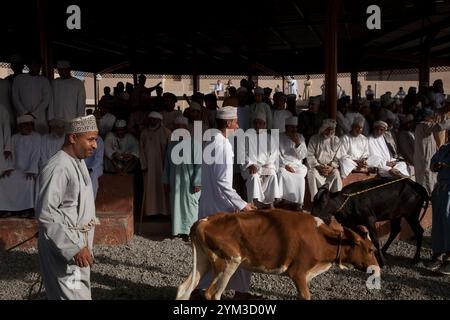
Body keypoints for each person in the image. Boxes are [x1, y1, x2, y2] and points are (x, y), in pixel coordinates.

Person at [193, 106, 257, 300]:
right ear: (228, 123)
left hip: (208, 204)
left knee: (210, 254)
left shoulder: (210, 141)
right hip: (220, 208)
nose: (238, 126)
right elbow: (223, 182)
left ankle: (201, 290)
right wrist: (242, 204)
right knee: (240, 250)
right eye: (236, 122)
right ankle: (240, 293)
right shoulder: (223, 145)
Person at [36, 115, 99, 299]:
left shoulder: (77, 162)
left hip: (77, 241)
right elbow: (46, 213)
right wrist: (74, 248)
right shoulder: (58, 166)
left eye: (95, 139)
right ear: (73, 138)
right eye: (90, 139)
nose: (95, 145)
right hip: (67, 245)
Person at [162, 116, 201, 239]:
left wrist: (197, 182)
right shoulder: (172, 144)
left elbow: (199, 164)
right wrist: (166, 181)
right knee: (176, 206)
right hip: (175, 181)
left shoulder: (194, 143)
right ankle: (178, 230)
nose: (178, 129)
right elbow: (167, 164)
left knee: (190, 206)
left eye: (181, 127)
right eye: (176, 127)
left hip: (190, 182)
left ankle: (191, 231)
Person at [0, 115, 40, 217]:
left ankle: (27, 209)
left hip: (30, 170)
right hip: (16, 169)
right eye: (25, 125)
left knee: (29, 180)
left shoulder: (36, 137)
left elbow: (36, 155)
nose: (28, 128)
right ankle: (7, 209)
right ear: (19, 127)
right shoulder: (14, 138)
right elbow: (9, 155)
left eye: (31, 125)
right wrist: (8, 168)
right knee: (4, 180)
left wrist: (32, 170)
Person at [240, 112, 281, 208]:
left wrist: (268, 165)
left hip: (265, 166)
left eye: (260, 123)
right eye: (255, 123)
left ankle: (270, 203)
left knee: (272, 175)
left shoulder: (270, 138)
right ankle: (253, 203)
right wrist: (250, 164)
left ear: (265, 124)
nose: (257, 125)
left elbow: (274, 154)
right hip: (250, 167)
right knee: (253, 177)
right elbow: (242, 153)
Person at [140, 112, 171, 216]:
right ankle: (151, 213)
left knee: (163, 190)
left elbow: (170, 151)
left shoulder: (167, 133)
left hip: (163, 167)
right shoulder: (144, 133)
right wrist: (143, 165)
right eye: (151, 119)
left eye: (154, 119)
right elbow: (141, 150)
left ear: (159, 120)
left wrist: (169, 167)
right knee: (150, 189)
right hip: (149, 168)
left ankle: (164, 213)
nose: (152, 121)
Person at [414, 108, 450, 196]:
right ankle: (427, 197)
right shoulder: (424, 125)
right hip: (424, 158)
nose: (432, 118)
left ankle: (426, 196)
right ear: (426, 117)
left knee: (427, 178)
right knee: (426, 179)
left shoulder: (422, 126)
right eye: (431, 117)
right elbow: (439, 127)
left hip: (424, 157)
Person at [12, 58, 51, 134]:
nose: (36, 68)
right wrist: (24, 112)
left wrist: (34, 114)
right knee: (23, 138)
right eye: (34, 65)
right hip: (22, 115)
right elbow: (15, 97)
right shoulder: (19, 78)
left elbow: (46, 99)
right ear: (29, 66)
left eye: (38, 66)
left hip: (39, 117)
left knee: (40, 139)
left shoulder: (44, 80)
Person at [306, 119, 343, 201]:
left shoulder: (336, 140)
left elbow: (338, 157)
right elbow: (310, 155)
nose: (330, 132)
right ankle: (316, 200)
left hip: (330, 168)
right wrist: (319, 167)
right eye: (327, 129)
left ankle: (335, 200)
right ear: (323, 129)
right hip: (317, 167)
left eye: (332, 130)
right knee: (311, 173)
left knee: (336, 174)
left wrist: (331, 167)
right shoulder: (314, 139)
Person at [278, 117, 307, 210]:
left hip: (297, 165)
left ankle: (298, 202)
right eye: (291, 127)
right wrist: (285, 166)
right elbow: (276, 155)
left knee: (300, 176)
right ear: (286, 127)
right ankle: (283, 200)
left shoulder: (300, 137)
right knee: (282, 174)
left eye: (295, 127)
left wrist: (297, 143)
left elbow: (303, 156)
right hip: (283, 165)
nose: (294, 130)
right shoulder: (279, 137)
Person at [429, 144, 450, 274]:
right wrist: (436, 166)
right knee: (438, 222)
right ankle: (438, 254)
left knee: (448, 221)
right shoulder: (444, 148)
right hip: (440, 189)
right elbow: (433, 164)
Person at [84, 134, 104, 199]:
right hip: (82, 165)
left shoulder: (99, 140)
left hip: (95, 167)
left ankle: (91, 200)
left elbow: (99, 159)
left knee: (93, 174)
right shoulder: (82, 137)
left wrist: (91, 169)